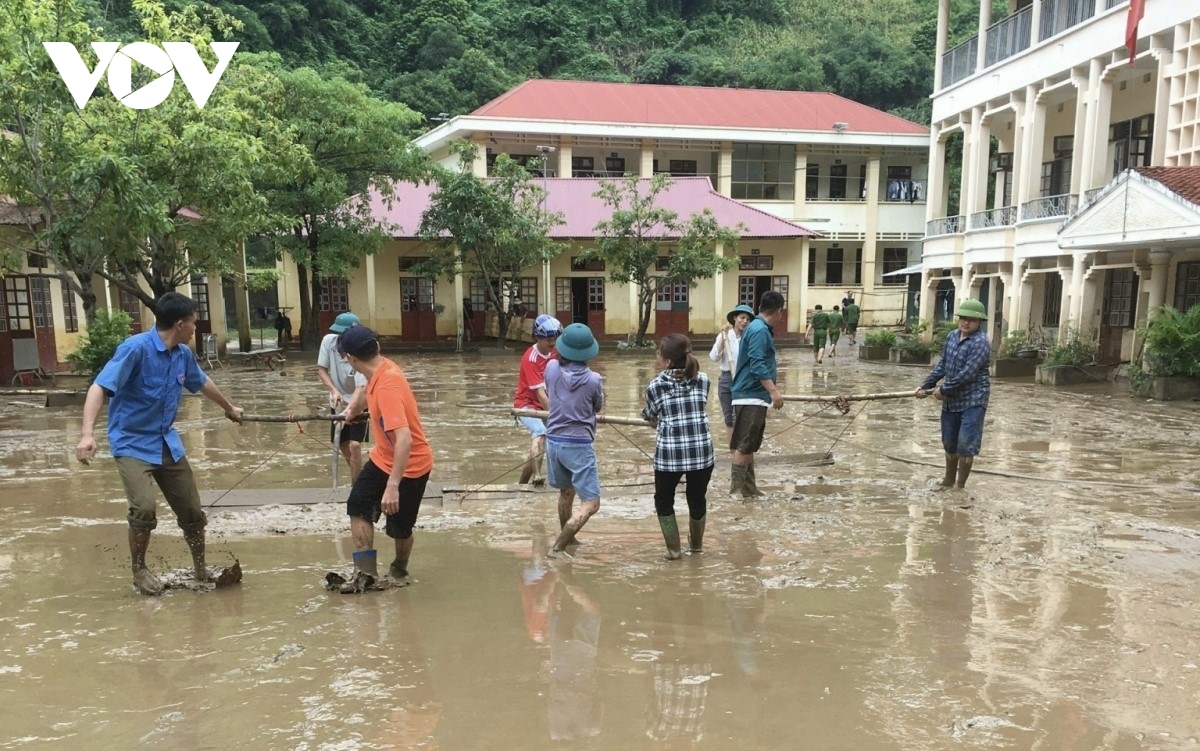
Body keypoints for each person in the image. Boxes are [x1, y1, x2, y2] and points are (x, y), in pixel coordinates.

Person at [75, 291, 244, 596]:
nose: (196, 328)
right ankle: (139, 571)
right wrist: (88, 434)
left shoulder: (182, 355)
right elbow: (98, 387)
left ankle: (200, 569)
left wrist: (229, 408)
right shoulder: (135, 349)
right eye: (194, 323)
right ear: (180, 324)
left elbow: (202, 382)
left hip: (166, 441)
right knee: (144, 507)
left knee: (192, 510)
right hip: (131, 442)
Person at [332, 325, 434, 591]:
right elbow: (366, 392)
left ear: (350, 359)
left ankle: (399, 567)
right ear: (375, 348)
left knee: (400, 528)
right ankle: (365, 575)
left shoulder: (389, 384)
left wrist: (392, 486)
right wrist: (352, 410)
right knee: (358, 504)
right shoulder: (380, 370)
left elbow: (405, 439)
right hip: (382, 458)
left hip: (411, 465)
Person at [643, 334, 714, 560]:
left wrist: (650, 416)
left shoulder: (655, 385)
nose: (657, 356)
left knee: (664, 499)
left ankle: (674, 551)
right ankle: (697, 548)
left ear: (667, 362)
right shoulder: (703, 380)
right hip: (701, 452)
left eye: (659, 354)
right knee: (697, 497)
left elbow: (650, 415)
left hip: (669, 455)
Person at [916, 299, 991, 491]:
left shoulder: (980, 343)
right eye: (963, 319)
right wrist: (926, 385)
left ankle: (959, 486)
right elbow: (943, 364)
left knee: (966, 444)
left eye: (971, 320)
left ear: (979, 322)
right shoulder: (951, 336)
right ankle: (948, 481)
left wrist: (943, 389)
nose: (966, 323)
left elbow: (967, 373)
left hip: (973, 399)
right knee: (949, 442)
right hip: (952, 400)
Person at [543, 323, 604, 556]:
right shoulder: (593, 379)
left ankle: (568, 539)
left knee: (566, 492)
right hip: (578, 445)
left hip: (554, 441)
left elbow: (549, 390)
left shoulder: (551, 368)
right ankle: (559, 545)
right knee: (592, 503)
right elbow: (597, 407)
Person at [729, 290, 785, 497]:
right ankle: (735, 492)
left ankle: (749, 490)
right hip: (751, 394)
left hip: (752, 395)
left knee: (749, 443)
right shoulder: (760, 330)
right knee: (745, 445)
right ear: (779, 311)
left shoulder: (757, 328)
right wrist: (774, 391)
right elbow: (758, 364)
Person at [317, 312, 368, 484]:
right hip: (337, 400)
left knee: (355, 444)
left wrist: (349, 412)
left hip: (359, 400)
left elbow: (361, 389)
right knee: (342, 444)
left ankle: (356, 484)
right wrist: (333, 390)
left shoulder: (360, 351)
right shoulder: (328, 342)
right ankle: (359, 477)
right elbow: (322, 369)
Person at [514, 315, 564, 484]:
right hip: (527, 405)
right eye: (549, 340)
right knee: (540, 434)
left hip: (548, 404)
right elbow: (541, 395)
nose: (553, 343)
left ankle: (522, 483)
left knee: (558, 438)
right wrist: (556, 415)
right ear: (538, 338)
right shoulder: (531, 359)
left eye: (555, 340)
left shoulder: (557, 351)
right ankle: (537, 475)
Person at [708, 304, 753, 444]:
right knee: (729, 418)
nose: (744, 321)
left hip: (743, 378)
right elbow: (714, 357)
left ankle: (743, 449)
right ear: (735, 318)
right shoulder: (725, 335)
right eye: (742, 317)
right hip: (726, 378)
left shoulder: (751, 336)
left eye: (748, 319)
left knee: (742, 416)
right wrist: (723, 338)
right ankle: (732, 450)